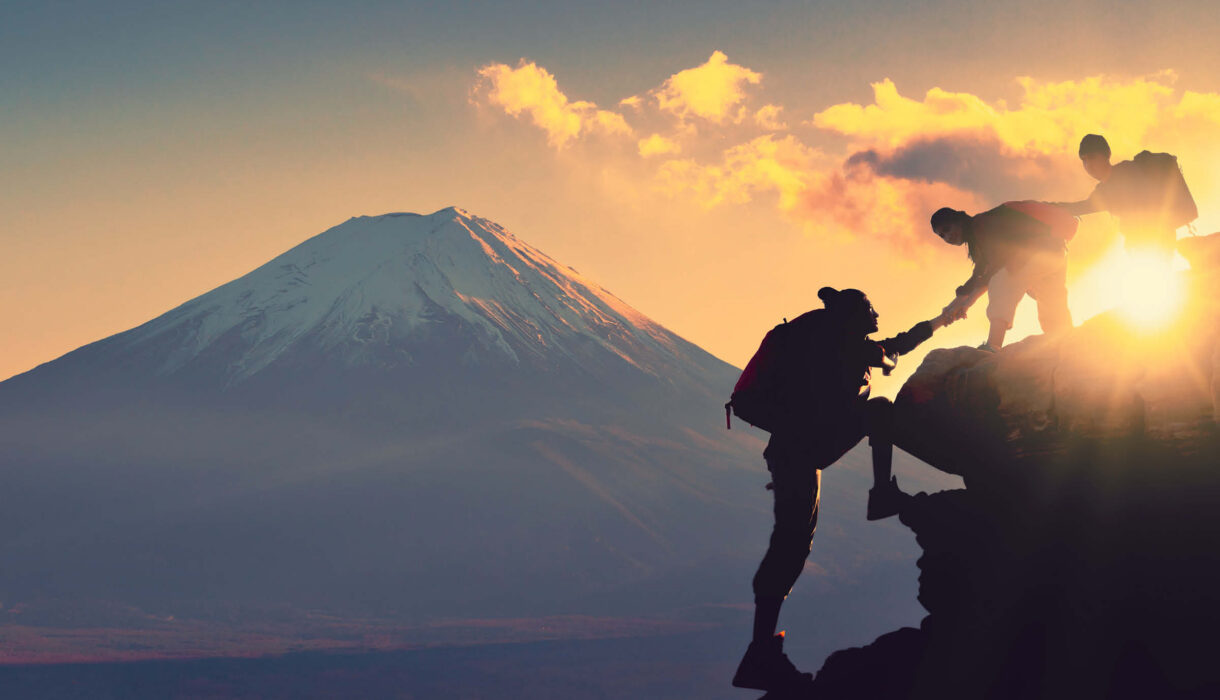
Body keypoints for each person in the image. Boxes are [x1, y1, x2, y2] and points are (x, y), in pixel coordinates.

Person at [732, 287, 953, 693]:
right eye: (871, 309)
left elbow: (889, 349)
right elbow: (890, 352)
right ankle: (882, 493)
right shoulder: (840, 343)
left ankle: (761, 649)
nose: (876, 315)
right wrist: (922, 333)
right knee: (791, 544)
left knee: (793, 544)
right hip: (801, 451)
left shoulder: (820, 336)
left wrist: (935, 324)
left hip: (795, 450)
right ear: (855, 313)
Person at [931, 203, 1074, 352]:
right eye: (942, 236)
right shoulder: (977, 236)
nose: (948, 237)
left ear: (959, 220)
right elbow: (977, 277)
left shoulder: (982, 225)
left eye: (947, 229)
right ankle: (1066, 343)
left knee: (1002, 282)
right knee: (1051, 303)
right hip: (1053, 253)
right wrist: (953, 307)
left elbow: (995, 267)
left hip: (1040, 252)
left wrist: (967, 303)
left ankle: (993, 346)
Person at [1055, 133, 1197, 258]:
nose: (1088, 165)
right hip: (1143, 246)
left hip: (1155, 243)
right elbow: (1084, 206)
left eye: (1092, 157)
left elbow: (1086, 206)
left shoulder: (1127, 173)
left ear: (1107, 154)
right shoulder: (1104, 188)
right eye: (1084, 160)